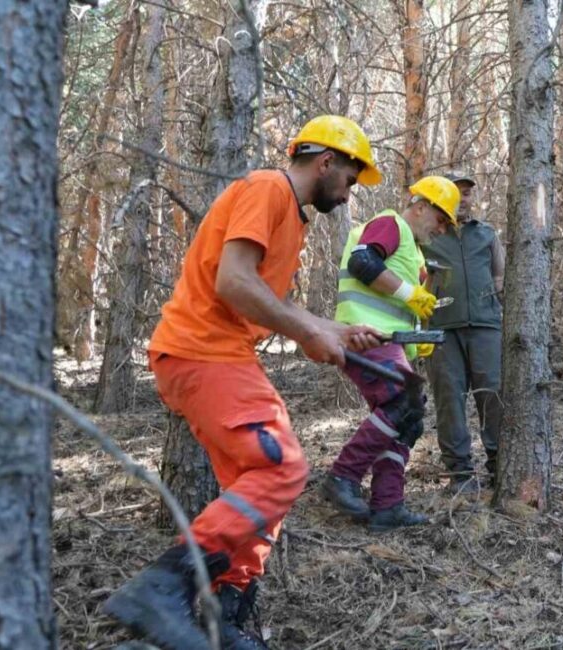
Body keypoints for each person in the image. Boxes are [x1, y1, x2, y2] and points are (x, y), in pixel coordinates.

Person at [103, 115, 384, 650]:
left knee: (256, 490)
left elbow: (269, 298)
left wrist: (332, 330)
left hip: (220, 353)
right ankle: (161, 588)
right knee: (282, 470)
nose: (349, 194)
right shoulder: (267, 189)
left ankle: (223, 616)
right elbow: (233, 282)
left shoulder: (291, 217)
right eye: (350, 179)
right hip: (203, 351)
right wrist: (307, 331)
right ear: (326, 162)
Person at [319, 175, 460, 531]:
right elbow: (363, 263)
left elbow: (393, 300)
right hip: (363, 336)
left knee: (408, 420)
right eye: (440, 219)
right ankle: (343, 476)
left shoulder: (411, 250)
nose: (441, 230)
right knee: (402, 405)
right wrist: (409, 295)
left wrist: (417, 336)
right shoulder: (389, 223)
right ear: (421, 206)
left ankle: (387, 506)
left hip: (385, 340)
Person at [421, 171, 505, 493]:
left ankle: (500, 467)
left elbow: (500, 279)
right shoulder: (429, 235)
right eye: (457, 192)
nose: (464, 198)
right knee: (449, 399)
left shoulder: (487, 234)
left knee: (494, 394)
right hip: (442, 330)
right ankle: (460, 476)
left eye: (468, 193)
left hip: (486, 326)